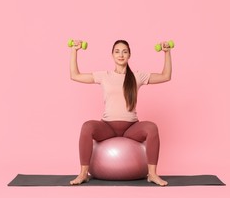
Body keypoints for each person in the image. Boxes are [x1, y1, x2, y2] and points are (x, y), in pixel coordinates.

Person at [69, 39, 172, 186]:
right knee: (87, 126)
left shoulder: (137, 76)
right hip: (107, 127)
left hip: (131, 128)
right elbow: (75, 75)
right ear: (112, 55)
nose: (121, 54)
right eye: (117, 51)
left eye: (124, 51)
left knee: (152, 128)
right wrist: (74, 50)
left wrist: (167, 53)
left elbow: (165, 76)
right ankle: (83, 174)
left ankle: (153, 174)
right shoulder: (104, 75)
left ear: (129, 54)